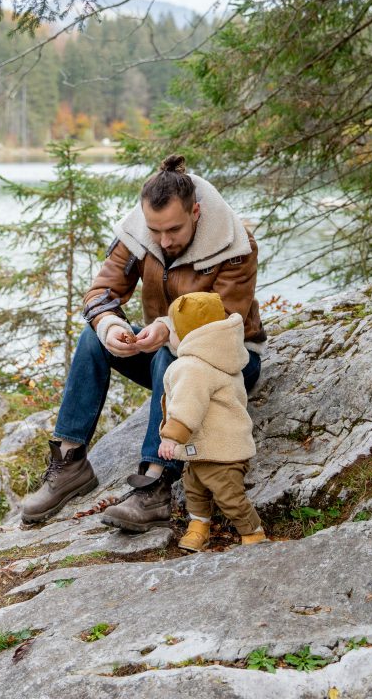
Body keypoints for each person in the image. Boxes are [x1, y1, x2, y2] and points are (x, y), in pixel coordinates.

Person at [20, 154, 266, 530]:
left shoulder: (235, 244)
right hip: (167, 353)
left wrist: (167, 329)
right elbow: (101, 291)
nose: (163, 241)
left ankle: (154, 485)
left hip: (231, 360)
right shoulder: (139, 234)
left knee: (176, 354)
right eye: (156, 231)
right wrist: (109, 325)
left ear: (196, 211)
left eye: (173, 230)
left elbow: (224, 319)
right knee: (93, 337)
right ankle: (70, 463)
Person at [158, 291, 266, 551]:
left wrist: (172, 436)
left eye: (172, 328)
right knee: (194, 491)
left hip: (220, 451)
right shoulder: (222, 355)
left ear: (186, 332)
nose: (169, 334)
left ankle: (253, 533)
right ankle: (199, 527)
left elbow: (187, 405)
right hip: (205, 448)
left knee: (230, 496)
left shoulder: (193, 366)